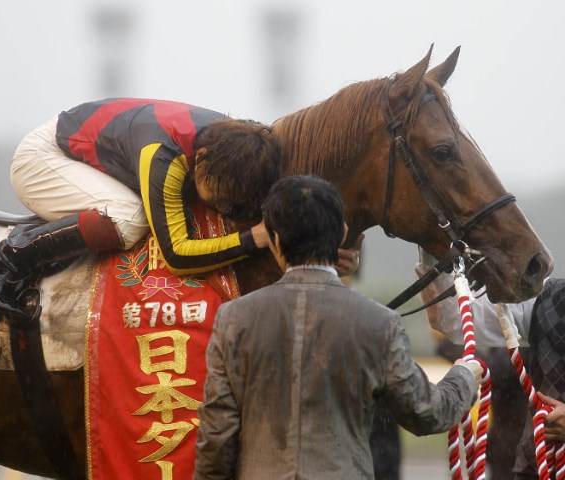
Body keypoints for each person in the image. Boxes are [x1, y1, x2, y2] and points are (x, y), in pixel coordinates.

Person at [193, 175, 482, 480]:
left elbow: (217, 436)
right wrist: (464, 376)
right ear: (342, 232)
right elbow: (425, 413)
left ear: (275, 240)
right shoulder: (380, 322)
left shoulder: (233, 318)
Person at [0, 98, 281, 322]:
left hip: (98, 154)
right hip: (42, 160)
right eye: (220, 195)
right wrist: (253, 238)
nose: (224, 207)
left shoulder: (240, 142)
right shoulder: (164, 157)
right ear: (203, 157)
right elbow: (178, 255)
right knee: (129, 219)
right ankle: (1, 263)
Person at [416, 248, 565, 479]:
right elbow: (451, 315)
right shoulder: (551, 301)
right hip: (529, 466)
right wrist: (430, 241)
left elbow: (499, 371)